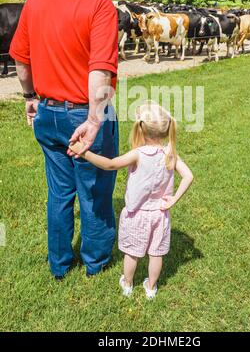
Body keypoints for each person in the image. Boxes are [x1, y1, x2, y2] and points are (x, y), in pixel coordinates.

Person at [9, 0, 119, 279]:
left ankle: (58, 264)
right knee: (95, 191)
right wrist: (94, 120)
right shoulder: (99, 4)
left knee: (59, 192)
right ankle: (95, 263)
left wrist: (29, 98)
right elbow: (100, 69)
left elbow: (21, 61)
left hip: (48, 112)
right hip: (83, 115)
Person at [69, 101, 194, 299]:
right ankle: (151, 288)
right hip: (160, 215)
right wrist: (173, 200)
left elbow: (110, 165)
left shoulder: (138, 154)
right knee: (156, 254)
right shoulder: (170, 153)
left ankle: (127, 284)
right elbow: (189, 176)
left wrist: (83, 152)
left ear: (141, 129)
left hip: (137, 214)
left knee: (132, 253)